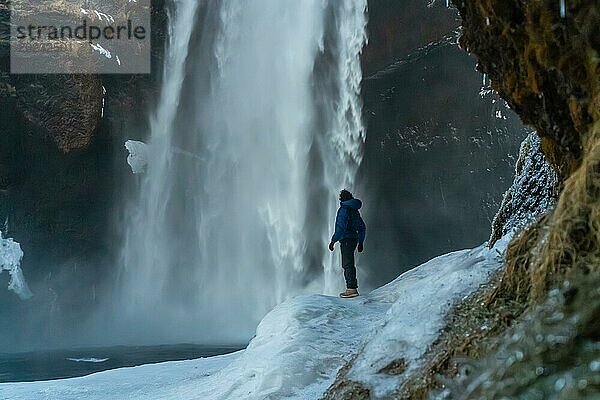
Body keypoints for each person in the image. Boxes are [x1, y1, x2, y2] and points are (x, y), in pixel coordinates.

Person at [328, 189, 366, 298]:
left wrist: (333, 241)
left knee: (347, 264)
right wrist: (360, 241)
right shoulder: (354, 210)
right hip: (354, 239)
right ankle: (351, 287)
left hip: (346, 240)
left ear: (341, 198)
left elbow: (341, 227)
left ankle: (351, 289)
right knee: (349, 263)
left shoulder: (344, 209)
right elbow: (362, 227)